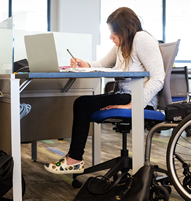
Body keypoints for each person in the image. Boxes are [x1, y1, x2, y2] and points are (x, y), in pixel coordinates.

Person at [44, 7, 164, 174]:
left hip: (138, 99)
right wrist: (85, 64)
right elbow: (102, 64)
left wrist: (134, 104)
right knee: (82, 103)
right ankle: (74, 158)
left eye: (113, 32)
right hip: (123, 95)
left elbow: (158, 78)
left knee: (83, 104)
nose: (110, 37)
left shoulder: (142, 39)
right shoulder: (123, 44)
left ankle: (74, 159)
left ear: (125, 29)